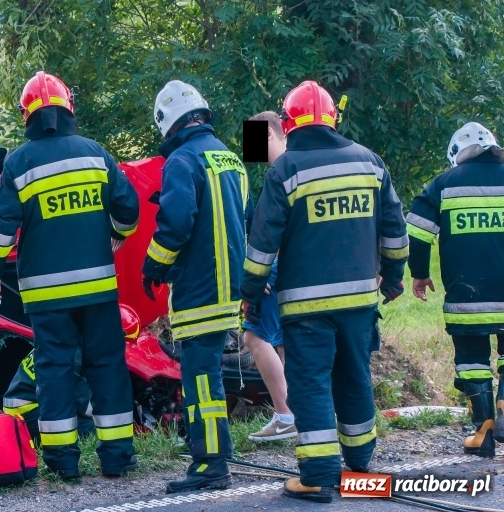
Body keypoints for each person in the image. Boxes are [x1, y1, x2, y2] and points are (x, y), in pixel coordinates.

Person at [240, 81, 408, 503]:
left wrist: (251, 290)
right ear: (333, 118)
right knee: (354, 377)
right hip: (359, 303)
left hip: (306, 306)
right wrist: (392, 278)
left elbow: (262, 244)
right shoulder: (370, 162)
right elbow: (396, 231)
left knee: (310, 382)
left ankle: (317, 474)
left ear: (289, 123)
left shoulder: (285, 170)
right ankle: (360, 461)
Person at [0, 71, 140, 480]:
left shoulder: (17, 162)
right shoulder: (95, 153)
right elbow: (129, 210)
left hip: (45, 296)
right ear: (69, 107)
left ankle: (64, 462)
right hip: (98, 290)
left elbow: (2, 229)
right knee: (106, 365)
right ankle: (117, 456)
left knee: (53, 370)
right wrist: (116, 235)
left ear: (27, 115)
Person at [142, 80, 251, 493]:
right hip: (231, 288)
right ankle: (215, 454)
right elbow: (249, 217)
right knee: (208, 375)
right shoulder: (232, 160)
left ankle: (210, 464)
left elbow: (175, 224)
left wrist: (153, 266)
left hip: (199, 289)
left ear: (168, 124)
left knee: (200, 378)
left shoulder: (183, 162)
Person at [406, 121, 504, 457]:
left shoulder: (444, 184)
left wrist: (419, 274)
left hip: (468, 298)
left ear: (456, 154)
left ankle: (484, 433)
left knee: (472, 360)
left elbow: (416, 234)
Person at [243, 111, 296, 442]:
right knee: (283, 343)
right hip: (296, 269)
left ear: (268, 135)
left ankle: (285, 414)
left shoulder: (280, 172)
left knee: (254, 338)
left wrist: (255, 275)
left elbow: (267, 234)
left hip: (274, 268)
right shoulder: (297, 166)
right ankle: (296, 412)